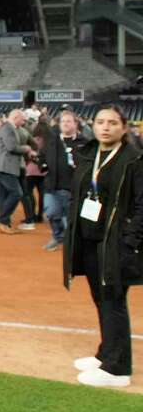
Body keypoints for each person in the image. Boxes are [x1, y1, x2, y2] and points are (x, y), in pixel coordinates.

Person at [63, 105, 143, 388]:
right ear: (93, 126)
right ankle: (105, 354)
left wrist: (129, 241)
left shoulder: (134, 159)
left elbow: (141, 204)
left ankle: (118, 369)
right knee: (101, 298)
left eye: (112, 122)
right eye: (100, 122)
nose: (105, 127)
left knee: (113, 301)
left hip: (115, 242)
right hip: (89, 238)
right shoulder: (89, 154)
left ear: (123, 127)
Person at [44, 110, 87, 252]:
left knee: (71, 218)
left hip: (74, 187)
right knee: (51, 212)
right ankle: (57, 237)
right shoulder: (52, 140)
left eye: (69, 121)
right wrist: (42, 165)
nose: (65, 124)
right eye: (63, 122)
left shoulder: (84, 143)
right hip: (52, 185)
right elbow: (42, 156)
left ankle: (72, 243)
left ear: (76, 124)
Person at [0, 110, 35, 235]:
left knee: (6, 195)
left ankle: (5, 223)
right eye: (22, 119)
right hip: (5, 167)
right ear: (15, 117)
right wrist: (26, 148)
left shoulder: (11, 128)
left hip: (8, 167)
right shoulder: (7, 128)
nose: (24, 122)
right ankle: (2, 220)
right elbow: (12, 147)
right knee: (17, 193)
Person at [24, 122, 49, 225]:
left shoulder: (31, 141)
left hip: (30, 171)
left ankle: (31, 215)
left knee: (28, 194)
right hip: (44, 172)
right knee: (42, 195)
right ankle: (40, 215)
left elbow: (27, 154)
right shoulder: (49, 142)